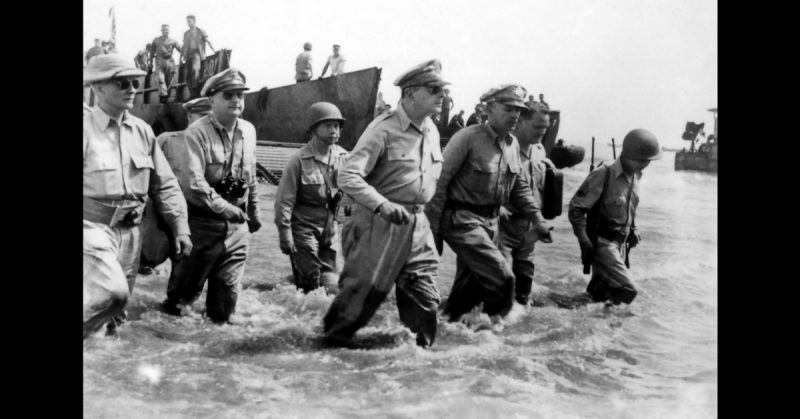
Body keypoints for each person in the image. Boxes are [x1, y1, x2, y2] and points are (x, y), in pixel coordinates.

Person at [323, 59, 447, 348]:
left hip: (418, 225)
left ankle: (418, 363)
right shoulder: (383, 129)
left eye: (442, 89)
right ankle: (326, 356)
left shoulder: (432, 130)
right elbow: (348, 176)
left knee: (426, 298)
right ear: (410, 93)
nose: (441, 95)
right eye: (433, 89)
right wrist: (381, 205)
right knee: (359, 302)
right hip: (379, 222)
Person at [83, 54, 192, 338]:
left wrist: (180, 227)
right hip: (92, 229)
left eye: (134, 82)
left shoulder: (143, 132)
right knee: (113, 294)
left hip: (132, 233)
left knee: (116, 315)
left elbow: (164, 185)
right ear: (97, 88)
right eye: (122, 83)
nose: (132, 88)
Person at [425, 84, 553, 324]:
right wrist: (432, 230)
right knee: (504, 279)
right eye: (508, 108)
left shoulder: (512, 144)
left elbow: (519, 187)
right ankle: (493, 334)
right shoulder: (467, 138)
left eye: (518, 109)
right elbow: (439, 182)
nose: (515, 115)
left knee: (468, 293)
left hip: (490, 223)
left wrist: (538, 220)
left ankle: (440, 332)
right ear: (489, 109)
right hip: (462, 220)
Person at [162, 68, 261, 323]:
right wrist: (225, 209)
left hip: (237, 229)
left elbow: (250, 176)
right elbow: (193, 183)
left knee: (224, 310)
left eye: (240, 95)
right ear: (212, 99)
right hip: (201, 226)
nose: (236, 101)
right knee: (180, 306)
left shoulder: (249, 131)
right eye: (229, 95)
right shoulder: (197, 132)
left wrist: (254, 212)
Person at [568, 129, 662, 306]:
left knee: (600, 294)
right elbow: (576, 208)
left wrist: (633, 230)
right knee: (627, 290)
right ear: (629, 155)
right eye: (642, 160)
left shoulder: (635, 176)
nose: (645, 165)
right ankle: (605, 323)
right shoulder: (604, 173)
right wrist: (583, 239)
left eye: (648, 161)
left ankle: (586, 324)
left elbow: (629, 207)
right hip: (602, 243)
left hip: (620, 243)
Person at [274, 102, 349, 293]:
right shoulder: (298, 160)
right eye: (328, 125)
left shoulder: (343, 157)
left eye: (337, 126)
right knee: (310, 283)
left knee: (334, 283)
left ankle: (287, 285)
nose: (334, 130)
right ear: (313, 129)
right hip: (304, 229)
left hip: (331, 229)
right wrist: (285, 233)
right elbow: (284, 200)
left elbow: (351, 196)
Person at [139, 97, 212, 273]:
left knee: (187, 268)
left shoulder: (216, 146)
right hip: (163, 214)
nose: (206, 122)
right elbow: (147, 176)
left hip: (197, 217)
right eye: (201, 116)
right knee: (148, 261)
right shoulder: (167, 140)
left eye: (210, 117)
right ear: (189, 117)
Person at [496, 101, 554, 306]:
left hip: (529, 232)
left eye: (545, 127)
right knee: (499, 288)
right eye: (537, 127)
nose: (542, 132)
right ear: (520, 122)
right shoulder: (502, 149)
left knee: (522, 292)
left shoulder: (539, 150)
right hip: (503, 229)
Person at [150, 24, 182, 100]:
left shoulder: (173, 40)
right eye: (164, 30)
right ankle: (163, 95)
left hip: (170, 62)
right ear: (161, 31)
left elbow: (182, 50)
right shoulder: (156, 40)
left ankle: (165, 96)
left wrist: (184, 57)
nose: (165, 31)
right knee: (161, 79)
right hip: (159, 62)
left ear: (169, 31)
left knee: (169, 81)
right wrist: (150, 63)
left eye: (167, 30)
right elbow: (151, 53)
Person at [181, 14, 214, 88]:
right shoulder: (186, 33)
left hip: (197, 54)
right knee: (187, 74)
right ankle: (192, 92)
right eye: (187, 22)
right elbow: (184, 46)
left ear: (194, 21)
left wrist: (214, 50)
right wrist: (182, 56)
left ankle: (195, 87)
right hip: (188, 55)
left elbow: (208, 41)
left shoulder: (201, 31)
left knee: (195, 69)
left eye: (189, 21)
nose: (188, 23)